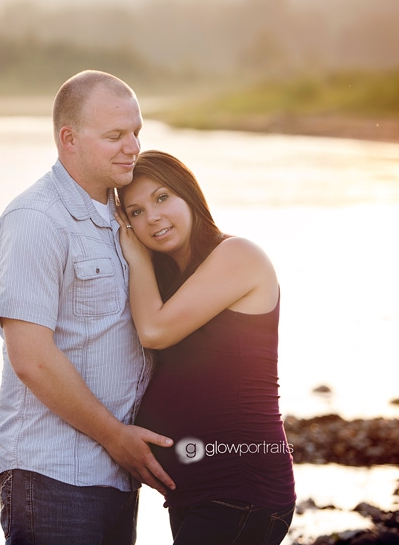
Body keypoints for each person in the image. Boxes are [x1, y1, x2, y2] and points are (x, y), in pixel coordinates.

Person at [0, 70, 176, 545]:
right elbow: (30, 358)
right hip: (52, 475)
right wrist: (117, 437)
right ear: (68, 139)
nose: (132, 146)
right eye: (115, 136)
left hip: (112, 475)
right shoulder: (35, 220)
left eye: (136, 132)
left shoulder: (124, 217)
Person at [115, 150, 296, 545]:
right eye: (135, 212)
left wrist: (134, 253)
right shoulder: (169, 280)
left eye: (162, 198)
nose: (153, 218)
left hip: (241, 488)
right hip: (199, 491)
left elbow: (154, 331)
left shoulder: (237, 255)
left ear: (189, 195)